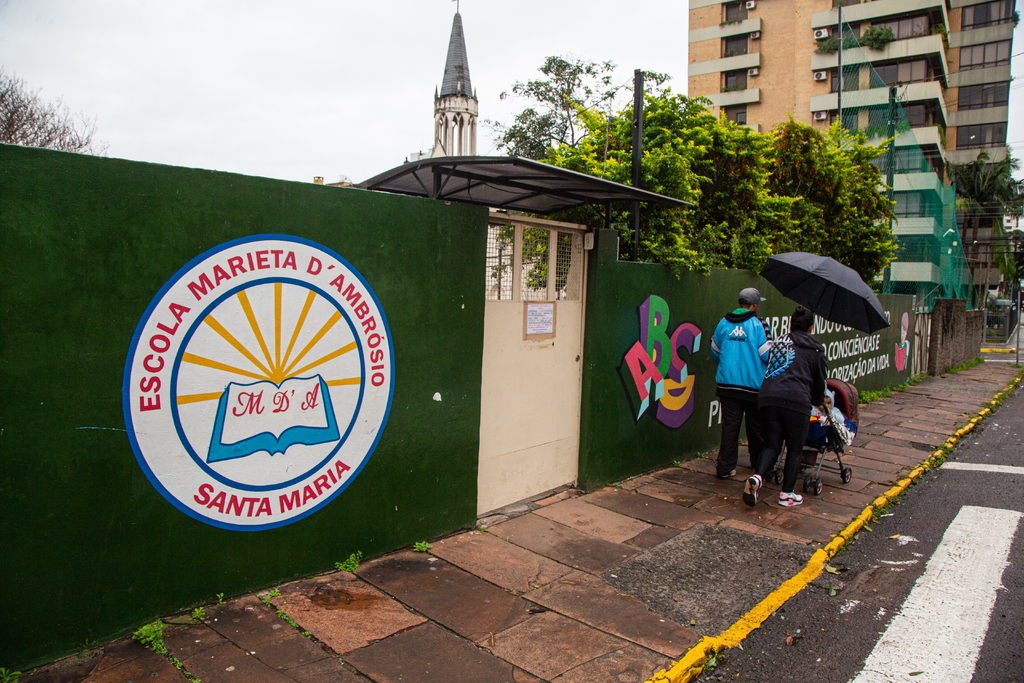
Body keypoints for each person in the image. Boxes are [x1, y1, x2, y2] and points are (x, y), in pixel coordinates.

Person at [743, 306, 827, 507]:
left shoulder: (779, 342)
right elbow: (819, 384)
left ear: (791, 324)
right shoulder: (816, 350)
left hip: (768, 397)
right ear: (810, 328)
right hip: (796, 401)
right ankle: (787, 494)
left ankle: (758, 478)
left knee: (772, 444)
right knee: (795, 448)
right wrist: (817, 402)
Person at [710, 287, 773, 479]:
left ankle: (725, 467)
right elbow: (767, 355)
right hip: (753, 386)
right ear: (754, 305)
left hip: (727, 385)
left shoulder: (723, 322)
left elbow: (714, 351)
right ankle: (758, 464)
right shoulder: (759, 324)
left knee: (730, 427)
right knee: (756, 427)